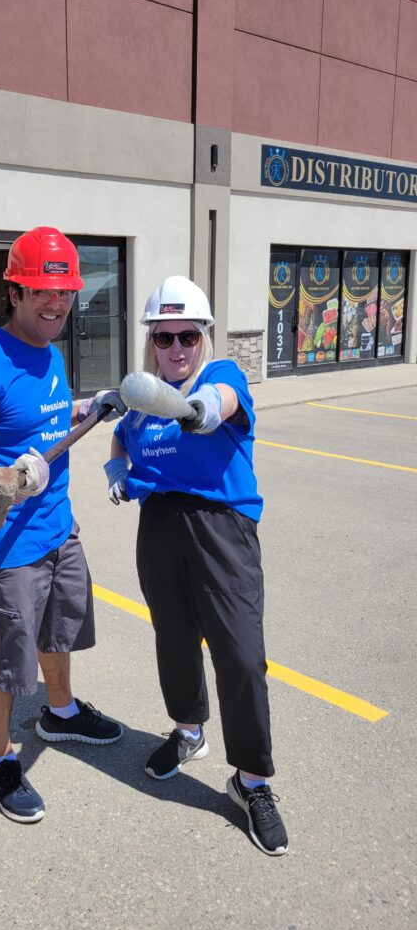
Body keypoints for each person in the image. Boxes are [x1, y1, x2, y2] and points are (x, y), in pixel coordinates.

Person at [0, 226, 125, 824]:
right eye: (43, 292)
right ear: (14, 291)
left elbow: (40, 419)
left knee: (58, 629)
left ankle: (60, 712)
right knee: (4, 656)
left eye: (65, 293)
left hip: (58, 529)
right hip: (5, 548)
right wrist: (1, 475)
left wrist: (83, 409)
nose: (56, 304)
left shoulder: (49, 354)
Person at [104, 275, 288, 857]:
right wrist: (115, 471)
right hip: (159, 528)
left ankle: (251, 781)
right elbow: (119, 439)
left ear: (204, 337)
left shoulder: (219, 377)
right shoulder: (144, 399)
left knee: (238, 652)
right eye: (165, 337)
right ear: (151, 343)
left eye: (188, 335)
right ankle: (188, 730)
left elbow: (225, 403)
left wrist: (201, 408)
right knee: (174, 639)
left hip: (221, 529)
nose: (177, 347)